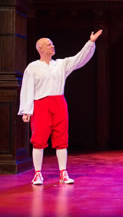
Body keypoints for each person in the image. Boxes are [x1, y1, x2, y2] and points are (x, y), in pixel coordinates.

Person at [18, 30, 103, 185]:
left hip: (58, 103)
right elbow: (27, 88)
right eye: (49, 44)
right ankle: (38, 174)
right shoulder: (33, 67)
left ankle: (63, 173)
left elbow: (79, 59)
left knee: (61, 138)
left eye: (52, 43)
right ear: (40, 49)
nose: (52, 46)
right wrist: (26, 110)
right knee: (38, 139)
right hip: (41, 105)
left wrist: (90, 43)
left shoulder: (61, 64)